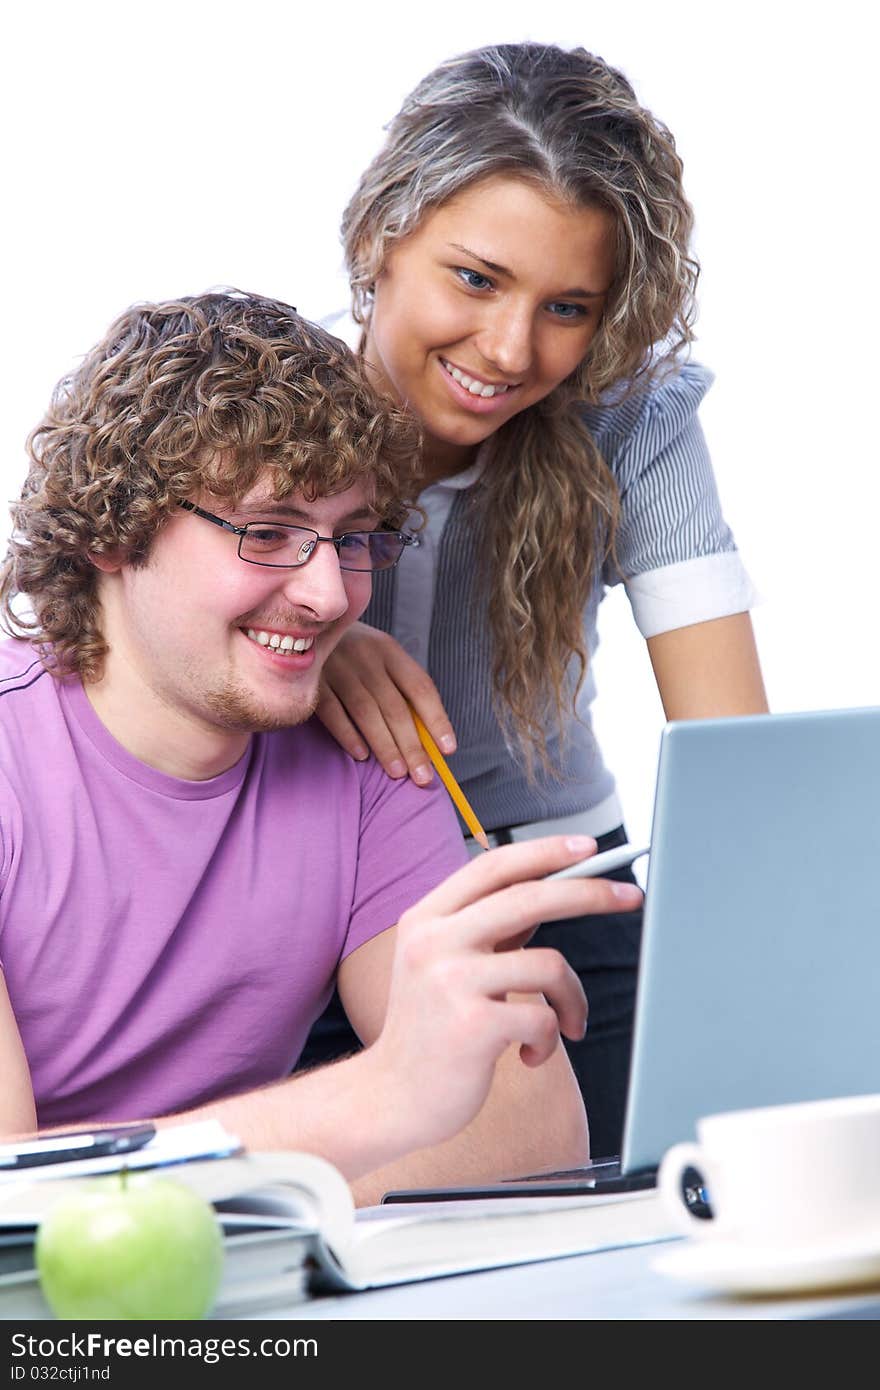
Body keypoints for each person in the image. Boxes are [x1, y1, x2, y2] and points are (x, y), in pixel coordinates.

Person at [0, 289, 644, 1204]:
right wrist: (384, 1098)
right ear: (116, 530)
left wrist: (171, 1187)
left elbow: (526, 1129)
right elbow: (6, 1205)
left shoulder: (365, 750)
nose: (331, 596)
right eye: (268, 534)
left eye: (349, 538)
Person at [302, 42, 769, 1160]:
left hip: (564, 899)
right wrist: (321, 641)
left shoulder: (633, 425)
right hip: (315, 920)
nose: (509, 350)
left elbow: (737, 756)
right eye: (475, 278)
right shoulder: (262, 408)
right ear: (380, 238)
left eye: (566, 306)